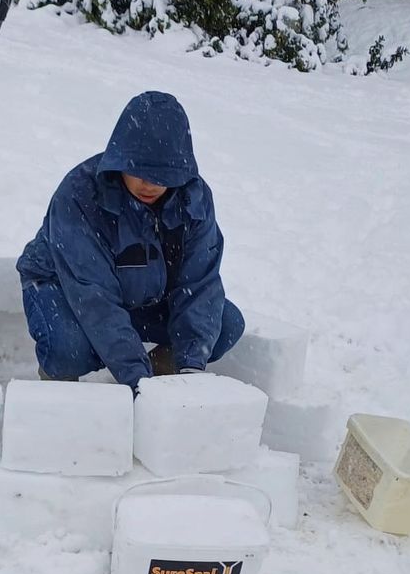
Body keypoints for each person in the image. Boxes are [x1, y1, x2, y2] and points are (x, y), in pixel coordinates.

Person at [16, 91, 244, 391]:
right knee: (68, 349)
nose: (149, 184)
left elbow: (200, 286)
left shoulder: (194, 200)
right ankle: (63, 390)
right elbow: (93, 297)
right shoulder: (80, 196)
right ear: (121, 158)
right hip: (63, 289)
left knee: (224, 324)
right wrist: (137, 380)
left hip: (142, 295)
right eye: (139, 172)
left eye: (162, 176)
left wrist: (189, 371)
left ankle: (164, 379)